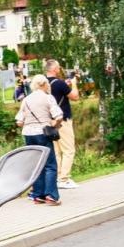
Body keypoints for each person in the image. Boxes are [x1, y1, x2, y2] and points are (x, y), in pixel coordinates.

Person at [17, 74, 63, 203]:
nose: (48, 85)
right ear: (43, 84)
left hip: (28, 134)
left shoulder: (26, 99)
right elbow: (59, 116)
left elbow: (19, 122)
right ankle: (51, 195)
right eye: (47, 83)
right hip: (43, 133)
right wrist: (54, 125)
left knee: (36, 164)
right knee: (50, 165)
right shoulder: (48, 97)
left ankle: (38, 194)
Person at [44, 59, 79, 189]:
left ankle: (57, 177)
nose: (59, 70)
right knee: (69, 150)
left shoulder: (43, 84)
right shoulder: (59, 83)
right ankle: (64, 179)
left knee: (56, 152)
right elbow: (75, 96)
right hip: (62, 120)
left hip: (50, 121)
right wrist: (74, 84)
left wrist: (65, 85)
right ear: (54, 69)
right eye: (58, 68)